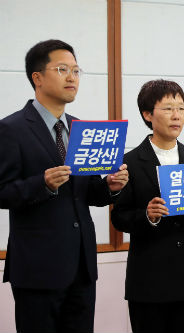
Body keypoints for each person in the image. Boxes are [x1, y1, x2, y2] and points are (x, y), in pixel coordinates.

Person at [0, 39, 129, 332]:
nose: (72, 77)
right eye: (62, 69)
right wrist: (42, 184)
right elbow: (2, 191)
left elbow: (86, 194)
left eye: (76, 70)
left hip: (82, 265)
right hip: (37, 267)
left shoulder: (81, 127)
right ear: (38, 77)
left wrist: (110, 186)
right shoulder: (11, 129)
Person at [111, 79, 184, 333]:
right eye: (167, 109)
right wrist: (148, 216)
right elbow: (119, 217)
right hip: (150, 273)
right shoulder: (129, 161)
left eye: (181, 108)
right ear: (147, 114)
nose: (177, 116)